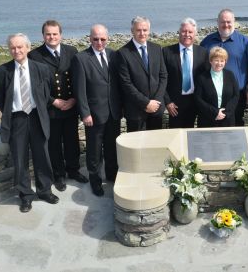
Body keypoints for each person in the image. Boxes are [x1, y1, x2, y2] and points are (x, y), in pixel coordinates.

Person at [0, 33, 58, 213]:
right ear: (9, 49)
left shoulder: (42, 69)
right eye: (13, 47)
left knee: (42, 156)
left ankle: (45, 191)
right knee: (19, 159)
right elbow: (0, 99)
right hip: (17, 119)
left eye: (20, 47)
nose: (17, 50)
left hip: (37, 117)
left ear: (28, 48)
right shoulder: (1, 72)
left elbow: (46, 93)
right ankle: (26, 196)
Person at [28, 20, 88, 192]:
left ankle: (73, 170)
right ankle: (59, 175)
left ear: (60, 35)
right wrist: (53, 101)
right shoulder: (35, 56)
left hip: (71, 105)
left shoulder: (72, 51)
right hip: (51, 108)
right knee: (54, 144)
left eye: (55, 34)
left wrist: (74, 99)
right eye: (48, 34)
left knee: (72, 141)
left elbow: (78, 79)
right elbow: (35, 86)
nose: (52, 37)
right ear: (43, 36)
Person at [72, 24, 122, 196]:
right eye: (95, 39)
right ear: (89, 38)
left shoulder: (114, 55)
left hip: (113, 112)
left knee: (111, 148)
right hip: (93, 114)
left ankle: (112, 175)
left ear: (107, 38)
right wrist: (85, 113)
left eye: (102, 39)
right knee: (94, 152)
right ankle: (95, 181)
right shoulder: (81, 58)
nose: (99, 42)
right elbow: (80, 89)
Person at [200, 8, 248, 126]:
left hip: (236, 95)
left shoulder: (245, 42)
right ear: (217, 22)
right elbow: (200, 66)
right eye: (223, 22)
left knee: (235, 126)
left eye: (229, 22)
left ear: (234, 22)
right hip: (210, 95)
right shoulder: (207, 42)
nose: (226, 25)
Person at [117, 16, 168, 132]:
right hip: (136, 111)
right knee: (138, 148)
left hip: (156, 108)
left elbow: (163, 76)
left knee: (155, 145)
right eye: (138, 30)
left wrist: (156, 101)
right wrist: (146, 103)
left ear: (149, 31)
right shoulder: (123, 53)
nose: (142, 33)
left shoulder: (156, 48)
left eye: (145, 30)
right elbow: (126, 83)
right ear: (132, 31)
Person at [163, 18, 209, 128]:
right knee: (175, 135)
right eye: (184, 31)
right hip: (175, 103)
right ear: (179, 32)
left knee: (195, 135)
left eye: (190, 32)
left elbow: (206, 78)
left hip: (196, 100)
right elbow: (162, 79)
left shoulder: (202, 52)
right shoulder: (166, 52)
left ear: (195, 34)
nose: (187, 34)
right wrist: (167, 101)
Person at [194, 47, 239, 127]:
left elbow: (236, 95)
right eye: (216, 60)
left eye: (222, 61)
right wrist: (215, 112)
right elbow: (198, 98)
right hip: (208, 119)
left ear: (225, 62)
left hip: (227, 119)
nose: (219, 63)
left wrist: (225, 113)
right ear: (210, 61)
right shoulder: (202, 77)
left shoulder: (230, 75)